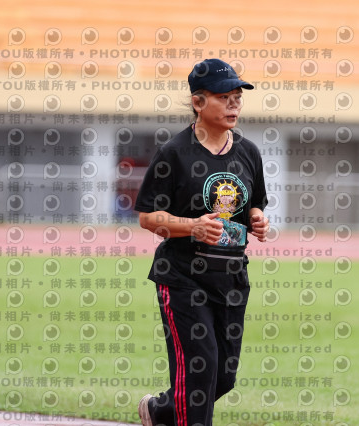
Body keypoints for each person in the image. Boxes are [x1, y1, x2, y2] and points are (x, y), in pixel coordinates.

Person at [135, 58, 269, 426]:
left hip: (231, 278)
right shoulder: (174, 153)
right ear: (198, 102)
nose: (233, 104)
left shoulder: (248, 152)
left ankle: (160, 410)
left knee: (222, 377)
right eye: (224, 97)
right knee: (200, 370)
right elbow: (148, 217)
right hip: (183, 276)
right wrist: (192, 226)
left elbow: (254, 203)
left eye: (237, 97)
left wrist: (257, 218)